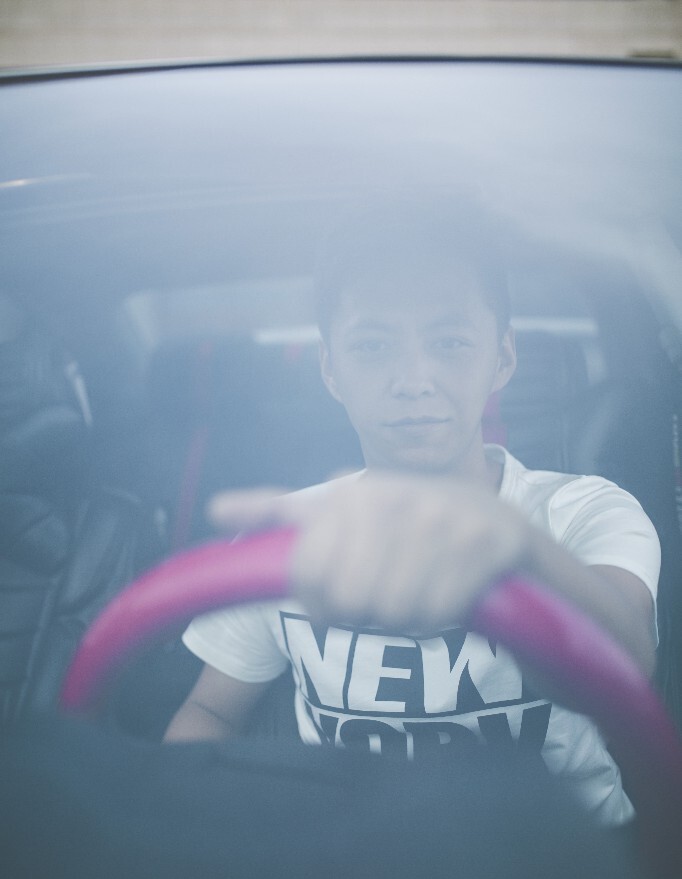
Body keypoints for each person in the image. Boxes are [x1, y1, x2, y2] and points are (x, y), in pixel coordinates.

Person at [164, 199, 660, 826]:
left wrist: (516, 549)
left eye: (450, 342)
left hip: (572, 865)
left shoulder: (584, 512)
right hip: (355, 871)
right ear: (331, 370)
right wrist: (175, 831)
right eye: (373, 346)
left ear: (503, 358)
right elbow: (211, 711)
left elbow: (623, 672)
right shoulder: (288, 536)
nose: (413, 379)